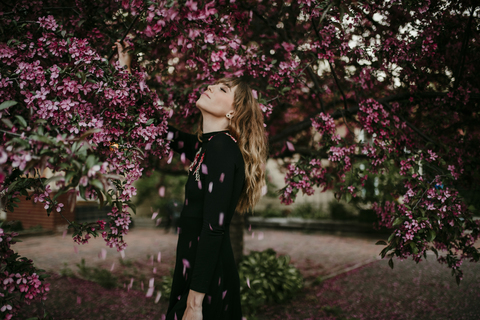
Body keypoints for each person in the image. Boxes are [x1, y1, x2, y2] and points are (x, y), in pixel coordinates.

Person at [114, 40, 268, 320]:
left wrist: (195, 304)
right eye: (214, 84)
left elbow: (214, 229)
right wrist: (127, 73)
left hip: (209, 286)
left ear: (234, 112)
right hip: (196, 272)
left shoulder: (222, 149)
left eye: (223, 89)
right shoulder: (206, 146)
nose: (210, 87)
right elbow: (155, 125)